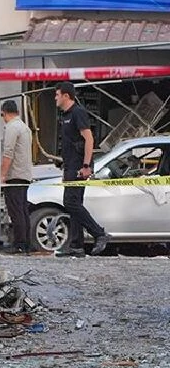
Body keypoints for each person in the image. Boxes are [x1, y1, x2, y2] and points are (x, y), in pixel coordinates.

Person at [54, 82, 110, 257]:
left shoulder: (78, 113)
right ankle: (76, 246)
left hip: (79, 166)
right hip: (70, 165)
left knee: (70, 203)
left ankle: (99, 233)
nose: (55, 98)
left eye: (57, 95)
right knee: (74, 204)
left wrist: (86, 166)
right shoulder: (65, 115)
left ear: (66, 96)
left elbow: (89, 139)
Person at [0, 100, 33, 254]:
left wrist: (2, 175)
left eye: (2, 115)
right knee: (23, 209)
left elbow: (8, 153)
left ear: (5, 113)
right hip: (25, 174)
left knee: (15, 210)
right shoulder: (25, 128)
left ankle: (19, 243)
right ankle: (26, 242)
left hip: (14, 175)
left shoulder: (12, 128)